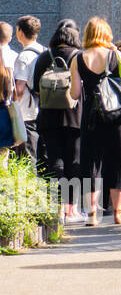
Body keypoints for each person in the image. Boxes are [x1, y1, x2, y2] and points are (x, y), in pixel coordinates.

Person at [70, 17, 121, 225]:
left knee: (91, 162)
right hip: (117, 115)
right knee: (119, 161)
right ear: (106, 34)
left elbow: (75, 93)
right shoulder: (114, 54)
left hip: (92, 116)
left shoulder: (78, 58)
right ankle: (117, 213)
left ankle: (91, 215)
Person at [32, 19, 84, 222]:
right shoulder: (79, 56)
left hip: (48, 118)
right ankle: (72, 209)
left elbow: (36, 87)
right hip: (75, 118)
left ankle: (57, 208)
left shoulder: (44, 56)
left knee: (54, 161)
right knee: (74, 162)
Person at [12, 16, 45, 160]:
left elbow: (19, 89)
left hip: (27, 111)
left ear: (20, 32)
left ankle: (30, 182)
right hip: (44, 107)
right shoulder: (45, 51)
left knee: (27, 156)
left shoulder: (23, 57)